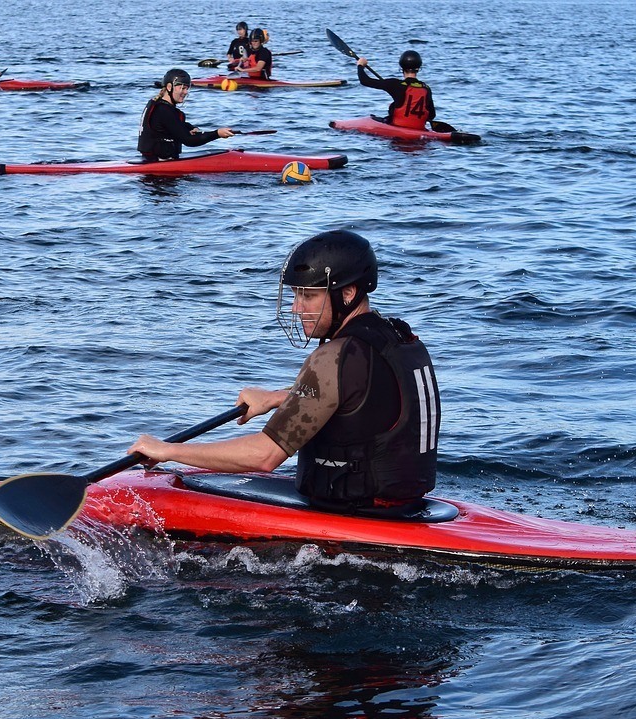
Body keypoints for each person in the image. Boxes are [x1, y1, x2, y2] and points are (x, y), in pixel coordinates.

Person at [127, 230, 441, 513]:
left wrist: (167, 451)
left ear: (347, 294)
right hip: (407, 505)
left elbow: (264, 456)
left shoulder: (333, 357)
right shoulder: (400, 338)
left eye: (308, 295)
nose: (295, 307)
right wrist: (278, 398)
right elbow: (367, 402)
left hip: (353, 510)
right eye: (295, 294)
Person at [137, 69, 235, 161]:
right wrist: (217, 134)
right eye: (182, 88)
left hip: (150, 160)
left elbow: (172, 125)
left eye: (187, 88)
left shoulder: (157, 104)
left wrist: (190, 128)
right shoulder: (164, 110)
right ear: (169, 87)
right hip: (160, 165)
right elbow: (189, 141)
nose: (185, 92)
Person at [356, 50, 435, 130]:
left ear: (402, 67)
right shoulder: (426, 88)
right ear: (418, 68)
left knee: (375, 117)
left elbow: (365, 81)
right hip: (419, 130)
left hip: (398, 128)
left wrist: (360, 65)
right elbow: (432, 115)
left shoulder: (395, 84)